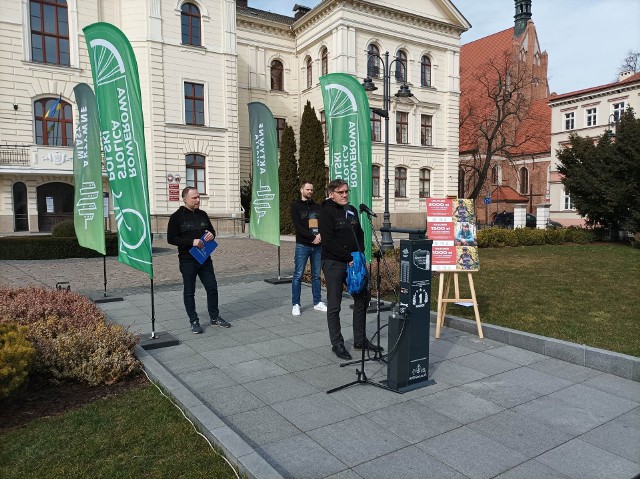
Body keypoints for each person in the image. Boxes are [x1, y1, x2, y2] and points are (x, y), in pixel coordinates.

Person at [319, 178, 383, 360]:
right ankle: (337, 344)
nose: (345, 195)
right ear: (332, 194)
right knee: (334, 304)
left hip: (354, 262)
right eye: (341, 192)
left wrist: (359, 255)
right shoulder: (326, 212)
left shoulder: (352, 210)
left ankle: (360, 340)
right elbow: (329, 241)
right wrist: (347, 258)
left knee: (362, 298)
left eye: (346, 191)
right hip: (334, 262)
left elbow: (360, 234)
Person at [167, 186, 231, 334]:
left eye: (198, 197)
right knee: (189, 291)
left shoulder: (203, 214)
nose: (197, 200)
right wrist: (192, 242)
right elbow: (171, 238)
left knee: (212, 287)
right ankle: (194, 321)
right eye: (194, 198)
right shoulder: (176, 217)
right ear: (185, 199)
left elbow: (211, 231)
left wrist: (211, 235)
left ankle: (214, 317)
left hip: (204, 258)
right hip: (187, 260)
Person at [290, 180, 327, 316]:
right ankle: (296, 304)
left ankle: (317, 302)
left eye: (311, 190)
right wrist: (312, 237)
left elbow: (323, 223)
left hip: (318, 246)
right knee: (298, 275)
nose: (310, 192)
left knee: (316, 276)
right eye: (307, 189)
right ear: (301, 190)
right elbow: (298, 227)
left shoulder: (318, 207)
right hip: (303, 245)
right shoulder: (295, 206)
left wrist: (320, 235)